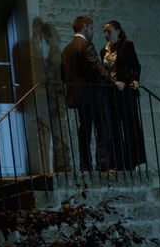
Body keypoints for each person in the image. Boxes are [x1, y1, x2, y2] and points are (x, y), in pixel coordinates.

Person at [61, 16, 124, 172]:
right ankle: (102, 164)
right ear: (84, 27)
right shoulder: (86, 44)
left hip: (77, 96)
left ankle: (85, 165)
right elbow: (96, 66)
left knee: (84, 130)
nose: (92, 32)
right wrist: (113, 81)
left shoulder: (66, 49)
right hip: (93, 95)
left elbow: (64, 74)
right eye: (91, 28)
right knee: (102, 128)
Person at [100, 20, 146, 171]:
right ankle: (117, 162)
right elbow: (104, 72)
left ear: (118, 31)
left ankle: (132, 162)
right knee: (114, 128)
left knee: (130, 126)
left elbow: (136, 66)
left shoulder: (126, 45)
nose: (106, 34)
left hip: (125, 91)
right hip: (111, 93)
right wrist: (112, 82)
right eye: (104, 31)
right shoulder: (103, 50)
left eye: (109, 31)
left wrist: (135, 80)